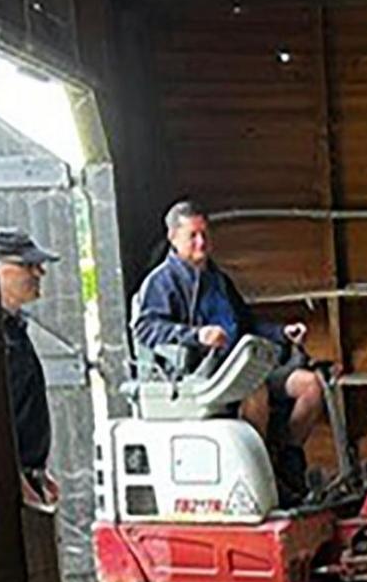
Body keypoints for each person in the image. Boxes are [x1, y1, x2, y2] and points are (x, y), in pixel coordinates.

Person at [130, 200, 325, 497]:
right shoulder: (161, 282)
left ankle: (285, 461)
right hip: (201, 377)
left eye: (205, 234)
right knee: (255, 391)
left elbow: (246, 325)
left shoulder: (218, 280)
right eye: (192, 235)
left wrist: (282, 333)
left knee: (311, 386)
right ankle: (260, 479)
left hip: (242, 368)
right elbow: (145, 329)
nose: (201, 242)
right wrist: (196, 336)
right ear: (173, 237)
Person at [0, 227, 62, 508]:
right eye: (27, 265)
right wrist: (15, 477)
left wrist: (37, 472)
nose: (39, 273)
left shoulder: (14, 328)